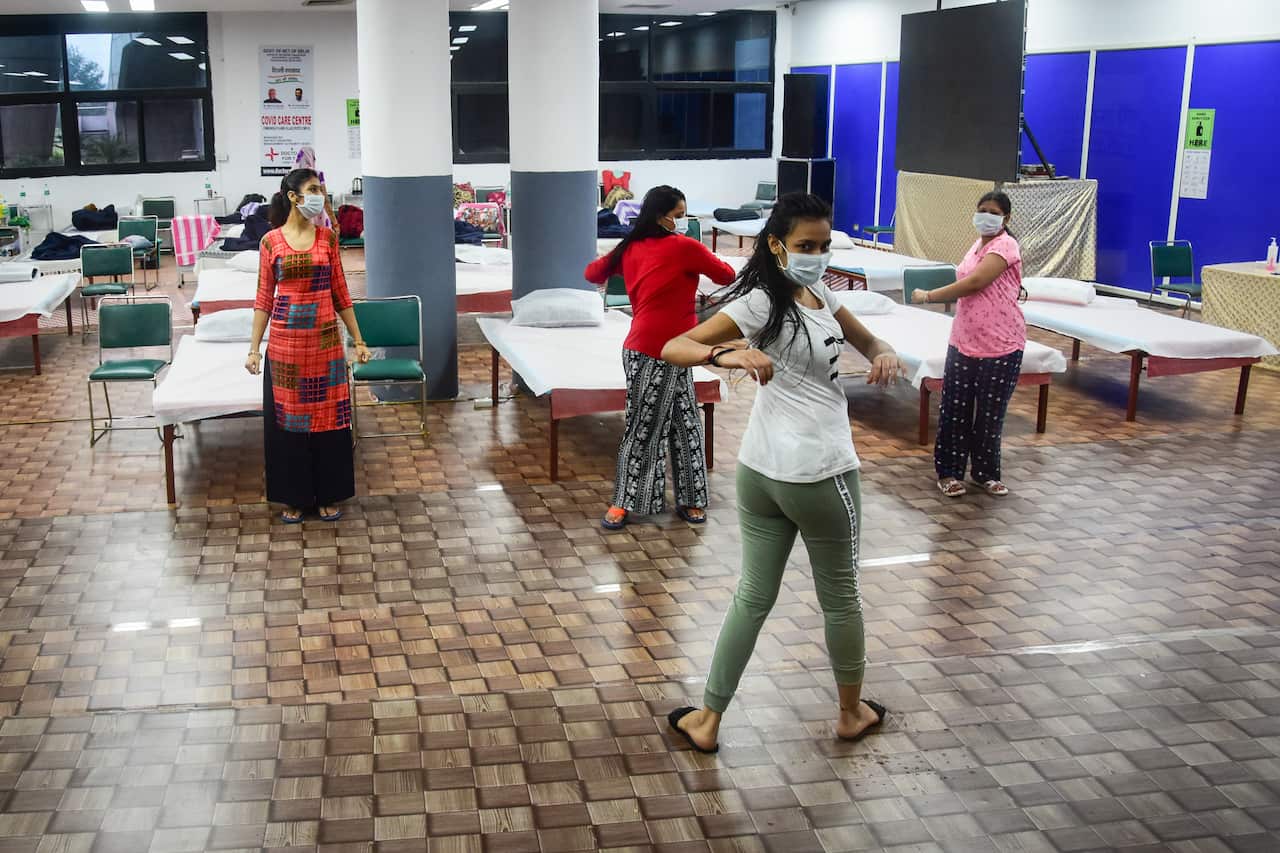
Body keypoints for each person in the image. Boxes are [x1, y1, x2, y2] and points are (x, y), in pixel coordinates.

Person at [659, 193, 907, 753]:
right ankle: (851, 714)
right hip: (817, 475)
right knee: (841, 598)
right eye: (804, 246)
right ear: (777, 245)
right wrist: (726, 356)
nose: (816, 255)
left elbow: (864, 338)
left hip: (762, 472)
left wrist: (883, 348)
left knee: (753, 596)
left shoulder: (818, 291)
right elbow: (674, 345)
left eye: (823, 245)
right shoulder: (758, 304)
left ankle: (707, 720)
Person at [584, 185, 737, 531]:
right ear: (660, 216)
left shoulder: (632, 247)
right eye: (679, 216)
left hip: (677, 350)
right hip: (651, 350)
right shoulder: (683, 248)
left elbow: (592, 273)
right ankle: (625, 501)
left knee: (686, 423)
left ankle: (691, 499)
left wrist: (632, 265)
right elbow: (726, 275)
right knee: (644, 426)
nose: (682, 222)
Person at [246, 168, 372, 524]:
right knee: (290, 425)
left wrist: (358, 339)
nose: (320, 195)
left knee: (330, 421)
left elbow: (341, 292)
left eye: (321, 189)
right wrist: (254, 348)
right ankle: (294, 496)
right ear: (293, 197)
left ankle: (329, 495)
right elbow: (262, 299)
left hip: (326, 346)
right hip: (286, 350)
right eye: (313, 189)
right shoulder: (271, 242)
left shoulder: (327, 240)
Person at [910, 191, 1025, 498]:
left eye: (992, 212)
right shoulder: (977, 245)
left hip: (1002, 344)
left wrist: (930, 296)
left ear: (1006, 218)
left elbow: (975, 283)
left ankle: (986, 473)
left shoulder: (1006, 245)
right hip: (964, 340)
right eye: (981, 210)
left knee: (990, 413)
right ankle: (948, 472)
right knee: (954, 409)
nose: (985, 216)